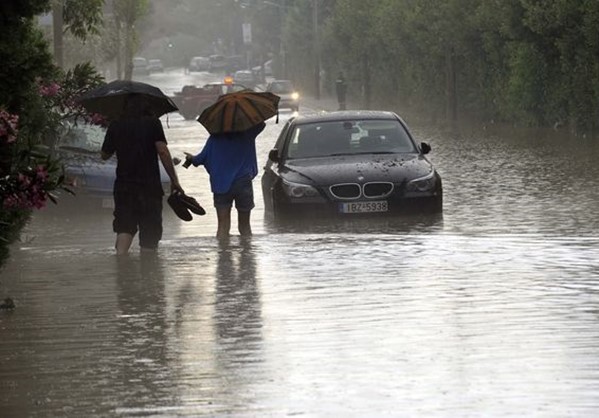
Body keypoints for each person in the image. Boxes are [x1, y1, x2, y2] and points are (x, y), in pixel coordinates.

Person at [101, 95, 184, 255]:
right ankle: (149, 275)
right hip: (149, 188)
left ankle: (121, 268)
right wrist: (175, 180)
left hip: (124, 188)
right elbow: (163, 151)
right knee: (150, 234)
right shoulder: (153, 123)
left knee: (125, 227)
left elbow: (104, 155)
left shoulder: (116, 125)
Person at [184, 122, 265, 240]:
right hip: (243, 183)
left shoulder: (214, 138)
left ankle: (223, 255)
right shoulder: (247, 134)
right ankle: (247, 256)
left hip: (221, 185)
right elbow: (261, 124)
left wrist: (191, 158)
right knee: (245, 226)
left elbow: (199, 159)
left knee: (222, 225)